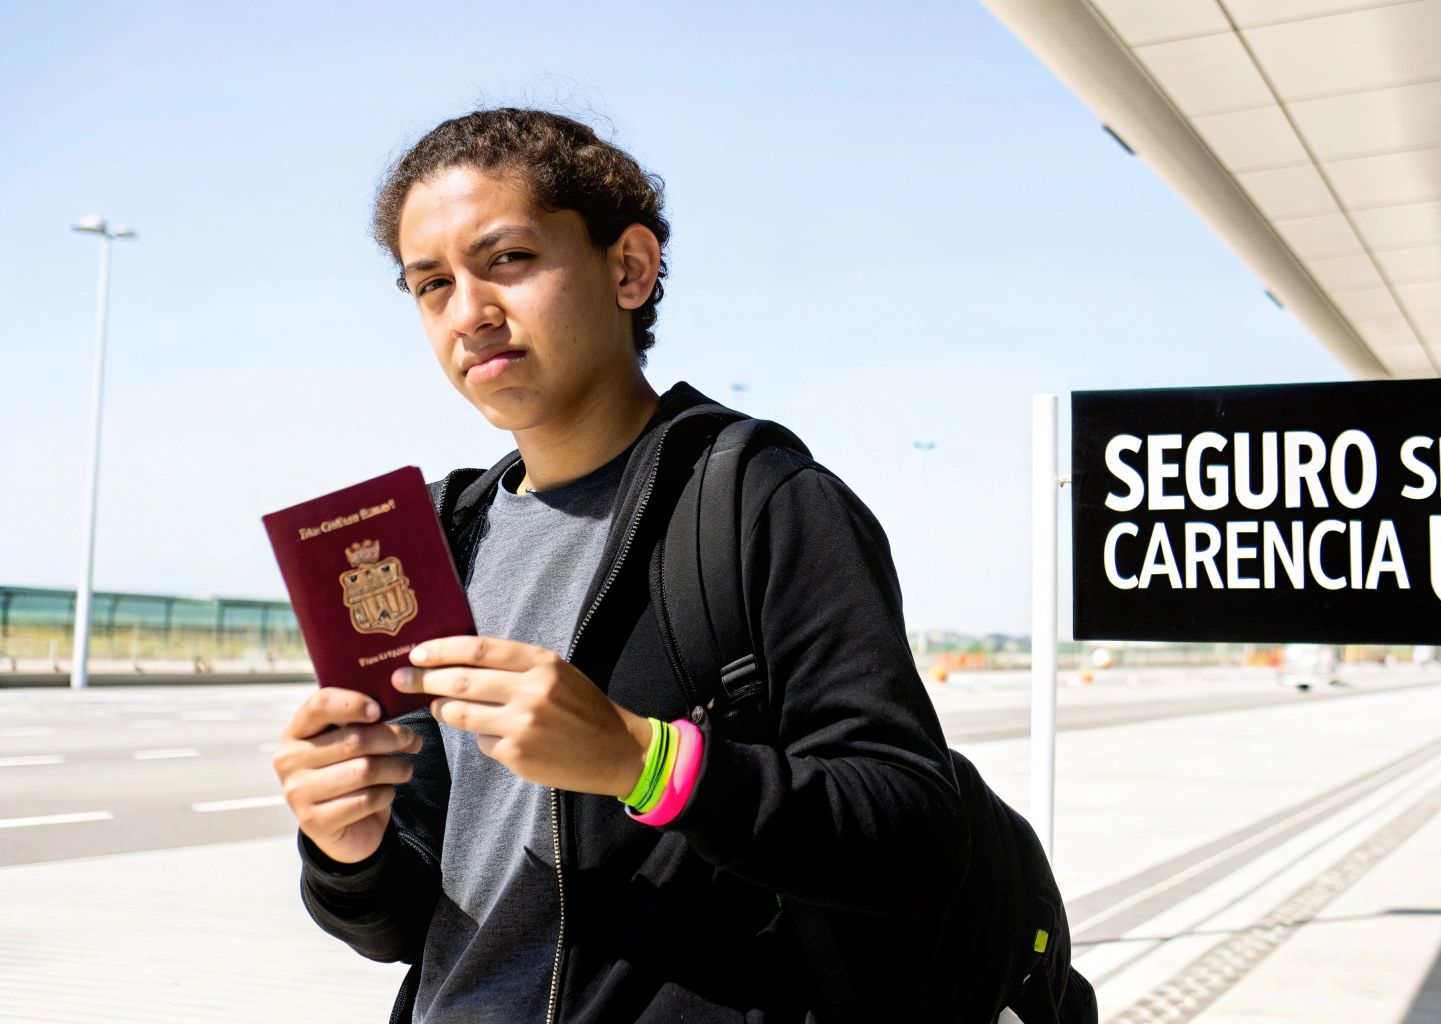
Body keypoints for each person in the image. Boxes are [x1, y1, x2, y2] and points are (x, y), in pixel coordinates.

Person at [269, 108, 967, 1022]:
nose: (469, 313)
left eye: (508, 260)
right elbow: (408, 929)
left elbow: (912, 835)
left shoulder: (760, 502)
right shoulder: (435, 539)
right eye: (431, 284)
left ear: (628, 268)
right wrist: (344, 850)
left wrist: (646, 762)